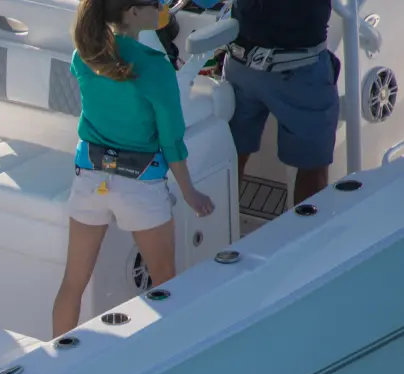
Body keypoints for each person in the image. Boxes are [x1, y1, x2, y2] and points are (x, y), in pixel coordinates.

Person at [54, 0, 215, 339]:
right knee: (166, 284)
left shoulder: (84, 56)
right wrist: (190, 192)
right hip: (140, 185)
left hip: (89, 179)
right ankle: (168, 355)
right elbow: (171, 139)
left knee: (72, 282)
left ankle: (56, 357)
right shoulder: (155, 67)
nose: (161, 6)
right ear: (132, 12)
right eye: (154, 3)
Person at [223, 0, 337, 207]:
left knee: (231, 155)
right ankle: (307, 228)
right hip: (299, 75)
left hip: (240, 66)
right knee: (312, 167)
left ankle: (220, 223)